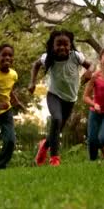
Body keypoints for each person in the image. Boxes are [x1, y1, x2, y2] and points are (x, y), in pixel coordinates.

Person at [28, 30, 94, 166]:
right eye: (59, 44)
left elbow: (91, 65)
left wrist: (89, 72)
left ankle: (44, 146)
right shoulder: (48, 57)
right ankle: (54, 158)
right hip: (54, 95)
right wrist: (32, 82)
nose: (62, 47)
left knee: (57, 129)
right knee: (56, 119)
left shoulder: (76, 56)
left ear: (70, 45)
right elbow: (35, 65)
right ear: (53, 45)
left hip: (70, 99)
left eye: (66, 44)